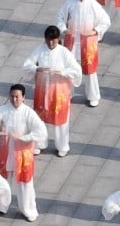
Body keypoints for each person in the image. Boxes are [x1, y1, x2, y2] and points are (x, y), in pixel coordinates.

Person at [0, 84, 47, 220]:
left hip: (22, 153)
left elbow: (41, 131)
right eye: (12, 96)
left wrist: (24, 138)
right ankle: (0, 206)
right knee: (2, 179)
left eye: (17, 97)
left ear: (23, 97)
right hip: (6, 150)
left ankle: (28, 210)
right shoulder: (4, 110)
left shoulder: (28, 113)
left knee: (24, 182)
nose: (14, 99)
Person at [21, 25, 82, 155]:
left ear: (58, 39)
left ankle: (62, 146)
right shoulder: (40, 50)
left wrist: (62, 72)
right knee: (39, 118)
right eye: (48, 39)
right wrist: (36, 69)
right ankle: (40, 143)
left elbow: (76, 70)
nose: (51, 42)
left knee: (60, 119)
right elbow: (26, 65)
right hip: (42, 91)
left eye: (53, 39)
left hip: (59, 91)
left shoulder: (64, 52)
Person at [56, 0, 110, 107]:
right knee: (69, 66)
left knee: (90, 70)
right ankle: (67, 93)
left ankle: (93, 95)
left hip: (87, 41)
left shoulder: (92, 4)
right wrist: (64, 29)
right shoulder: (69, 2)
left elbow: (106, 20)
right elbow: (59, 16)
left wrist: (95, 31)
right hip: (72, 39)